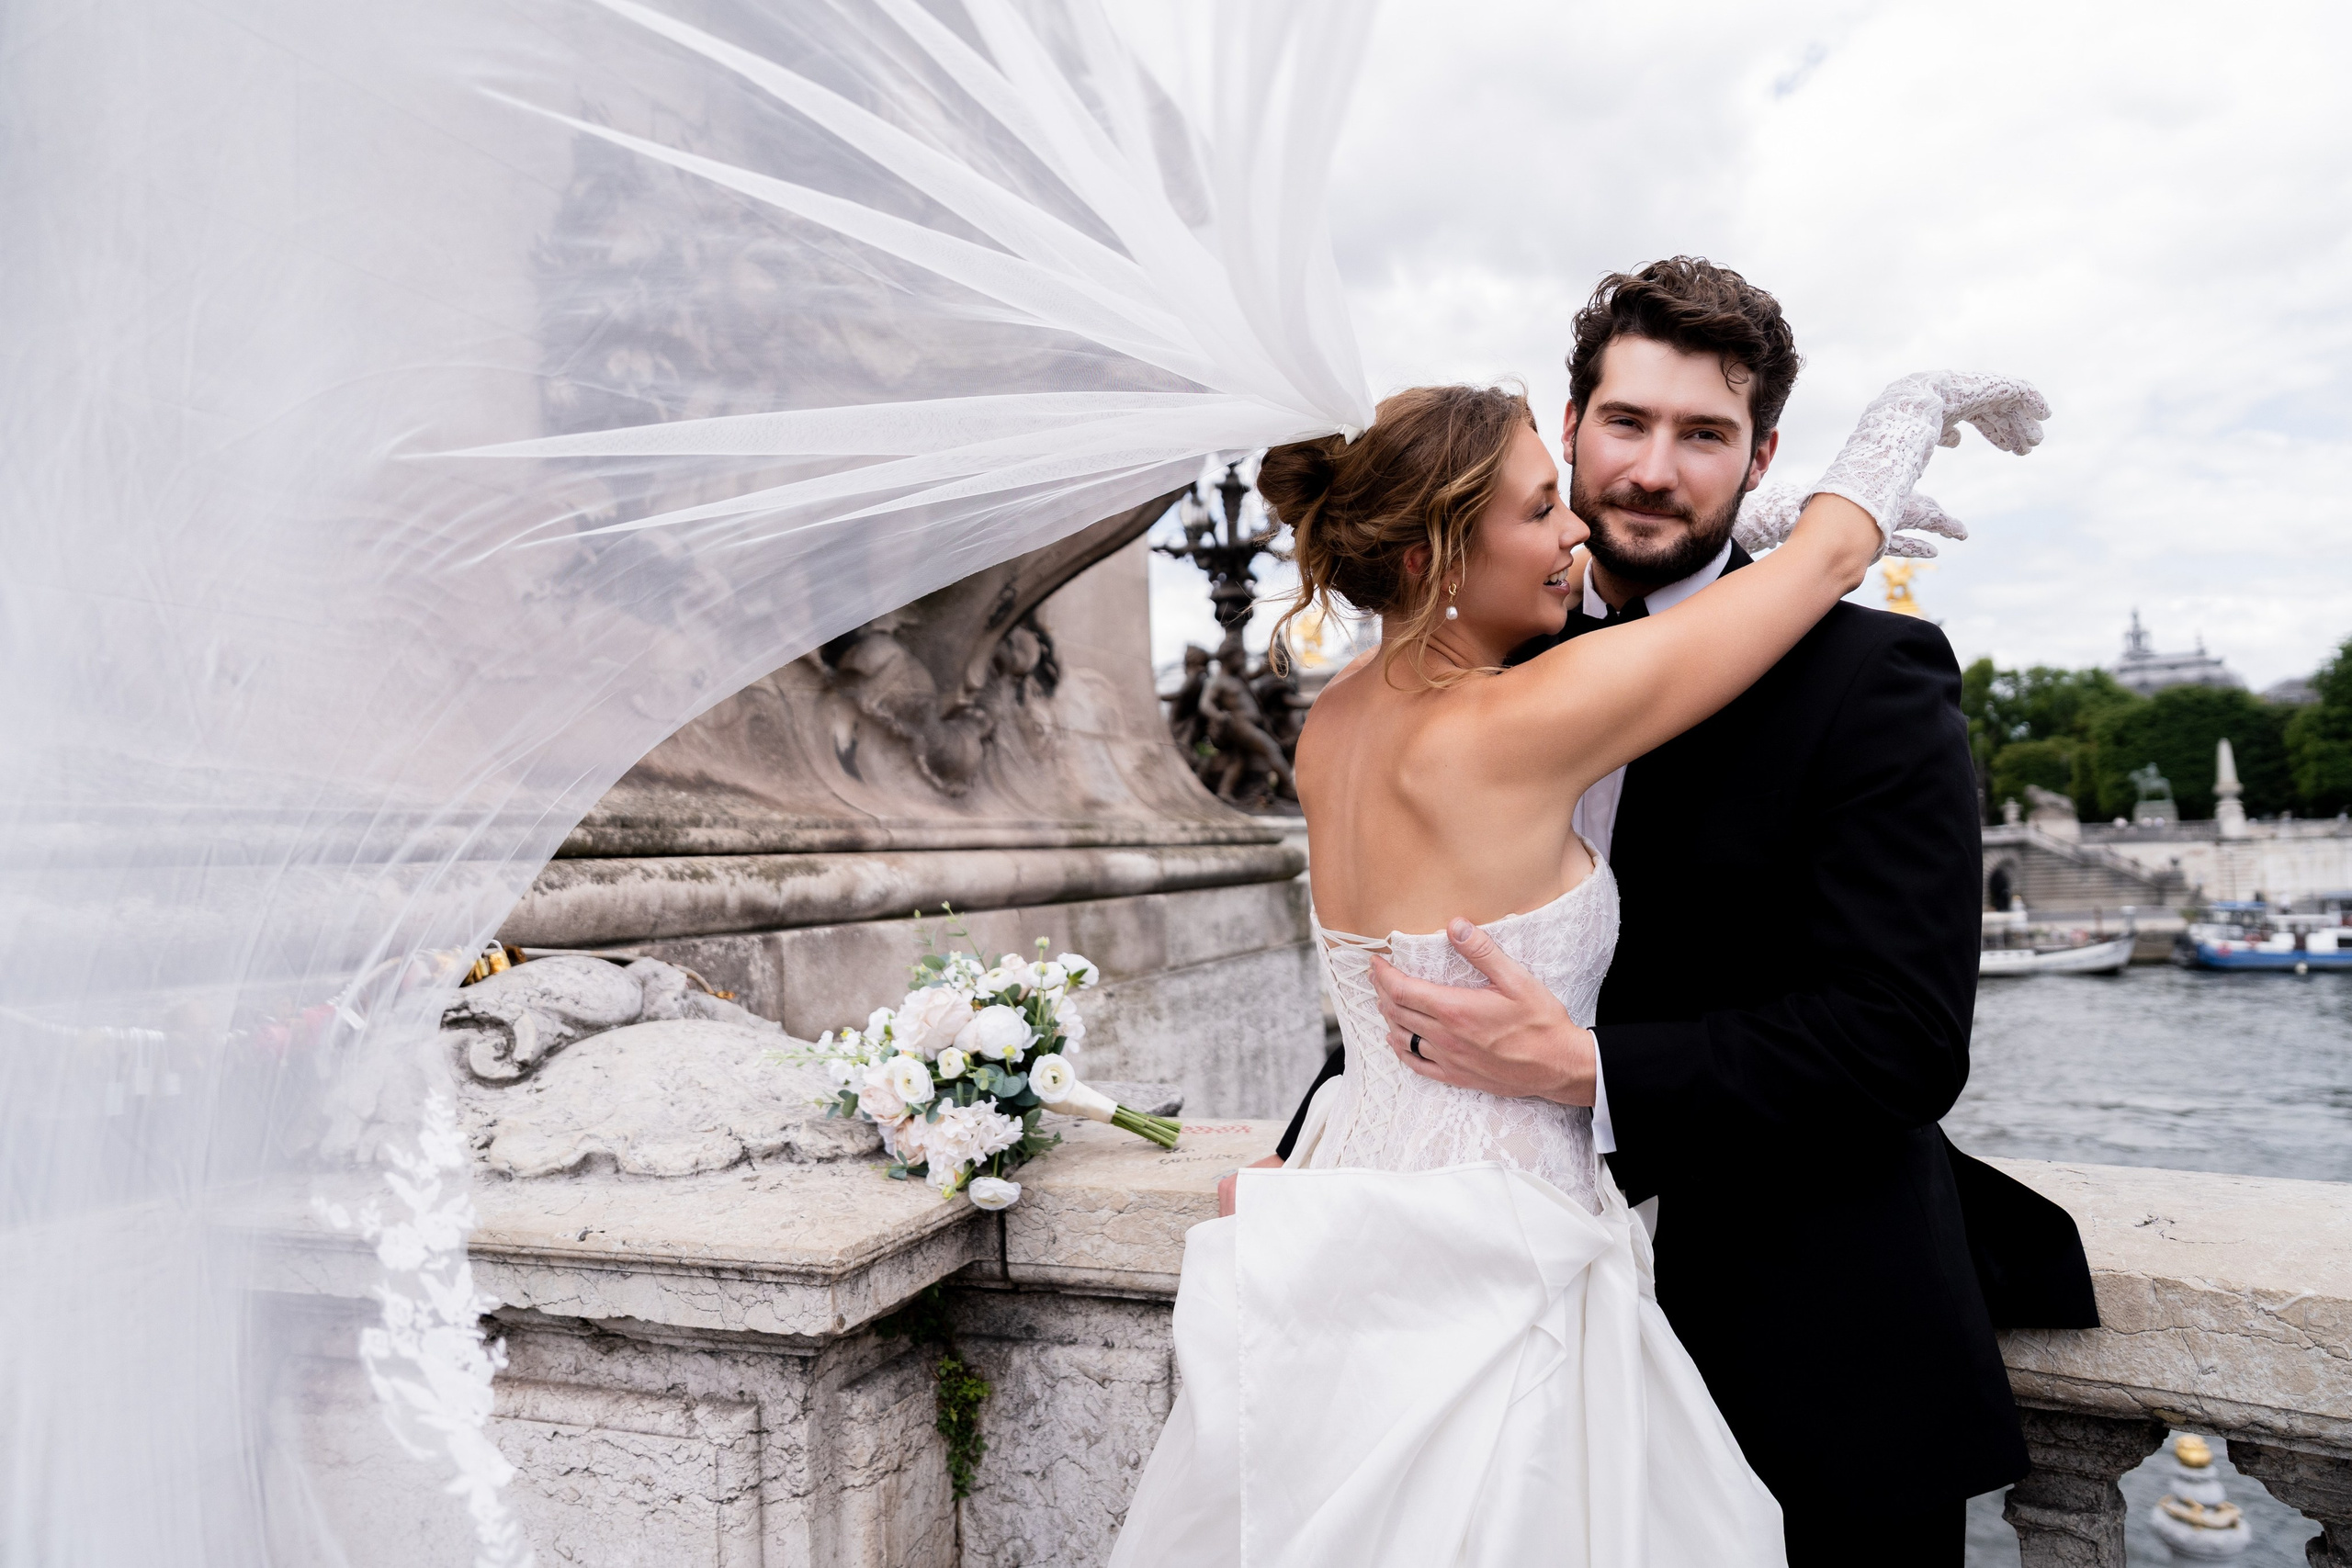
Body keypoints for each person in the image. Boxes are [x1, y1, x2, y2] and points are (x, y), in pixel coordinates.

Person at [1110, 260, 2055, 1566]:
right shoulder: (1514, 678)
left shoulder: (1869, 679)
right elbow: (1409, 996)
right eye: (1623, 430)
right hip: (1478, 1312)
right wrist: (1877, 443)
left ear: (1759, 449)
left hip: (1808, 1361)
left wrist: (1591, 1074)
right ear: (1564, 436)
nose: (1651, 474)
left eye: (1705, 436)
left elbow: (1900, 1038)